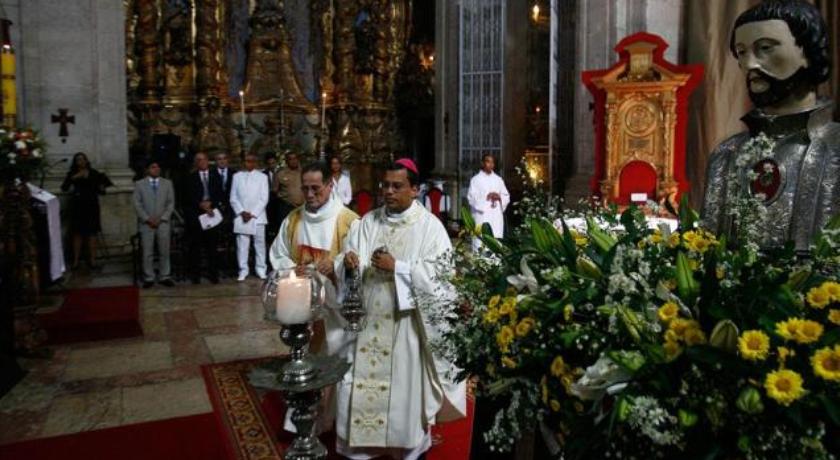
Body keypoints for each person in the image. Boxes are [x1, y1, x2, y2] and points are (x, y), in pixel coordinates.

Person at [335, 159, 466, 459]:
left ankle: (405, 448)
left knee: (402, 395)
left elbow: (441, 279)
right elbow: (347, 256)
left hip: (406, 325)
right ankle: (362, 449)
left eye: (397, 186)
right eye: (385, 185)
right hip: (367, 323)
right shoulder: (367, 222)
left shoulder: (430, 228)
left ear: (415, 190)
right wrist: (349, 263)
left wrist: (399, 268)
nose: (388, 192)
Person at [702, 0, 839, 252]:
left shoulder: (835, 150)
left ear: (809, 53)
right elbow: (704, 255)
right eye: (741, 52)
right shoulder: (726, 155)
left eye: (764, 48)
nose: (750, 64)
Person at [268, 161, 359, 351]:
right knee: (308, 352)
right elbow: (279, 254)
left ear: (330, 185)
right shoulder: (292, 220)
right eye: (305, 188)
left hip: (336, 306)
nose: (309, 195)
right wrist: (292, 270)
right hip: (302, 302)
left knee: (337, 355)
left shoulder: (349, 221)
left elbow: (358, 260)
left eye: (315, 188)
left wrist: (336, 265)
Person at [61, 152, 113, 269]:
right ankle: (75, 261)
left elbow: (102, 190)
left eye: (83, 159)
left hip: (91, 206)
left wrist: (102, 187)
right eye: (78, 159)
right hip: (78, 206)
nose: (81, 161)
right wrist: (75, 177)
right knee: (77, 233)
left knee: (92, 233)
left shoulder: (94, 173)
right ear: (75, 162)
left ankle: (92, 260)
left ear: (86, 161)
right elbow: (64, 188)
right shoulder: (72, 173)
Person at [132, 160, 175, 288]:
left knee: (164, 251)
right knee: (147, 251)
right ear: (147, 169)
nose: (156, 169)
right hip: (147, 223)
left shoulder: (167, 183)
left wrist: (163, 218)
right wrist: (147, 218)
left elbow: (170, 203)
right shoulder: (139, 184)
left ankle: (165, 276)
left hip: (163, 223)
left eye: (158, 167)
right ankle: (149, 277)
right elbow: (137, 204)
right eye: (153, 167)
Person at [184, 152, 224, 284]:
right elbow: (187, 196)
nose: (202, 162)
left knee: (212, 246)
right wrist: (200, 204)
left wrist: (211, 204)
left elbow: (220, 194)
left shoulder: (215, 176)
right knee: (195, 247)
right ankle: (195, 275)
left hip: (212, 214)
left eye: (204, 159)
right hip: (196, 215)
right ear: (196, 163)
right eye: (199, 160)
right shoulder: (190, 177)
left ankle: (213, 274)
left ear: (208, 161)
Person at [230, 153, 269, 281]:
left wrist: (253, 213)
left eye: (252, 161)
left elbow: (264, 198)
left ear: (256, 162)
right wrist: (242, 212)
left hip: (258, 216)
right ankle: (243, 270)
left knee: (260, 244)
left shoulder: (262, 177)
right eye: (247, 161)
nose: (249, 163)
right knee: (242, 245)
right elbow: (233, 198)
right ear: (243, 162)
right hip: (242, 217)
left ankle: (261, 269)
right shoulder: (237, 177)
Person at [467, 153, 510, 248]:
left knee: (496, 240)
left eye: (492, 162)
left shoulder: (498, 180)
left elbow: (506, 196)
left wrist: (499, 197)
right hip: (482, 217)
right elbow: (471, 198)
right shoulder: (475, 180)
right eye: (488, 162)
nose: (490, 164)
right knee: (481, 242)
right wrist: (487, 197)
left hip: (495, 217)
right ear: (482, 163)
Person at [274, 151, 304, 223]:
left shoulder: (304, 172)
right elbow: (275, 190)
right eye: (290, 159)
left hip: (303, 207)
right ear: (286, 161)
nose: (293, 161)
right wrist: (286, 198)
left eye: (295, 158)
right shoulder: (280, 173)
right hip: (286, 207)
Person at [263, 152, 281, 237]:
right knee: (269, 223)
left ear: (276, 162)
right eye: (269, 164)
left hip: (280, 202)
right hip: (268, 203)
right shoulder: (262, 174)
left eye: (273, 163)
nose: (271, 165)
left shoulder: (282, 172)